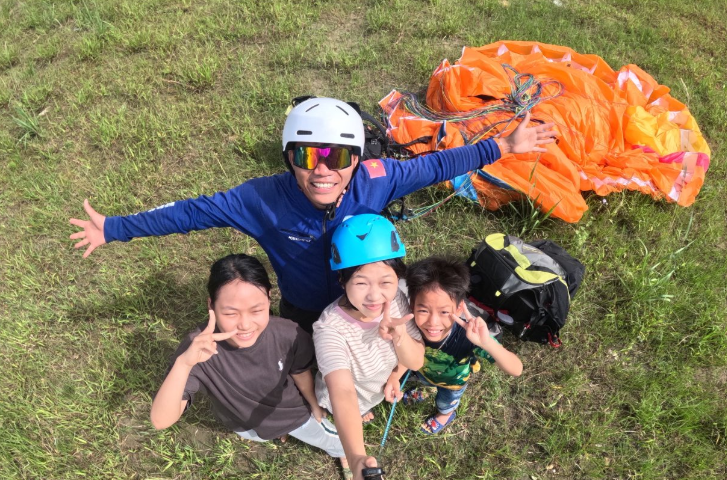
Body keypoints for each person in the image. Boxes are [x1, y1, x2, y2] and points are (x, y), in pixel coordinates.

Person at [69, 97, 558, 332]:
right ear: (288, 158)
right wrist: (114, 228)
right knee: (308, 361)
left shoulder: (377, 178)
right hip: (303, 308)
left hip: (364, 299)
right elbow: (190, 213)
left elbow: (436, 165)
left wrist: (503, 146)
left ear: (356, 159)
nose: (323, 171)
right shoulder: (261, 199)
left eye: (338, 157)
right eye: (307, 156)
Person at [150, 253, 351, 480]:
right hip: (243, 424)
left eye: (256, 310)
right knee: (261, 435)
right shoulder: (197, 350)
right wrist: (184, 364)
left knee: (332, 439)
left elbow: (300, 371)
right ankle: (278, 433)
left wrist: (314, 405)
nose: (245, 325)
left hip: (294, 416)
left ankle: (343, 452)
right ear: (211, 305)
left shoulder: (288, 334)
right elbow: (160, 420)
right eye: (230, 313)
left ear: (269, 298)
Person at [312, 215, 424, 480]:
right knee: (341, 418)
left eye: (386, 282)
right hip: (345, 399)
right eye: (361, 283)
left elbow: (416, 361)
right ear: (342, 280)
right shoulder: (329, 329)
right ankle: (343, 451)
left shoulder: (399, 300)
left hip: (377, 386)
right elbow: (342, 392)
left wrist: (398, 357)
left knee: (363, 407)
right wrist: (356, 457)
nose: (375, 296)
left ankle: (363, 413)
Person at [383, 256, 522, 434]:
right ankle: (428, 389)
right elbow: (409, 355)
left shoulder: (469, 336)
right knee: (425, 382)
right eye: (423, 310)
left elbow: (516, 369)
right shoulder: (411, 327)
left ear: (458, 309)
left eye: (444, 312)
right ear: (412, 306)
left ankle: (445, 414)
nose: (433, 322)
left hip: (452, 383)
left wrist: (487, 342)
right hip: (424, 374)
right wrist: (395, 377)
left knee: (445, 401)